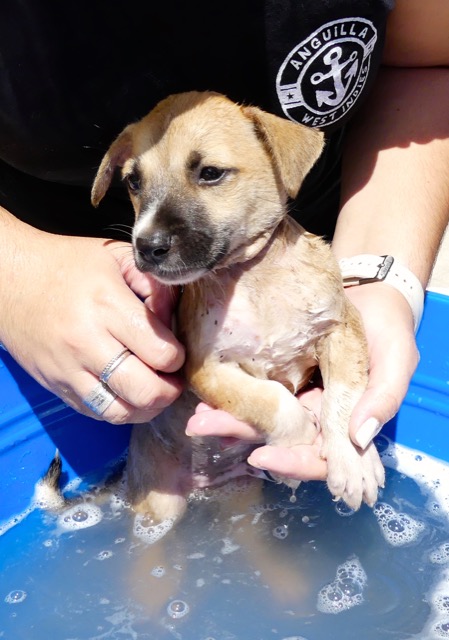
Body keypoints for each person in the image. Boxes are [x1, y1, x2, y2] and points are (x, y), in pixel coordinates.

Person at [0, 0, 448, 485]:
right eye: (134, 182)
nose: (149, 232)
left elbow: (424, 62)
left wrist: (379, 278)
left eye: (209, 173)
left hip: (309, 222)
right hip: (64, 294)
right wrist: (17, 274)